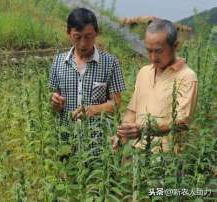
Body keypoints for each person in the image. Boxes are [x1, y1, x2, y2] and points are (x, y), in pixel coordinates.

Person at [112, 19, 198, 153]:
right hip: (136, 153)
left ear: (175, 46)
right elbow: (132, 111)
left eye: (158, 51)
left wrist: (143, 129)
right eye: (149, 50)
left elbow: (181, 123)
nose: (152, 57)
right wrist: (122, 134)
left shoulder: (187, 77)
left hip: (166, 159)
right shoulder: (144, 72)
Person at [49, 8, 126, 155]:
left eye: (88, 36)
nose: (83, 43)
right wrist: (55, 103)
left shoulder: (110, 63)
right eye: (77, 37)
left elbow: (116, 104)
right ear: (68, 33)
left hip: (98, 143)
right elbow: (54, 103)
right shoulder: (58, 62)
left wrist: (93, 110)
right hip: (67, 141)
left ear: (97, 32)